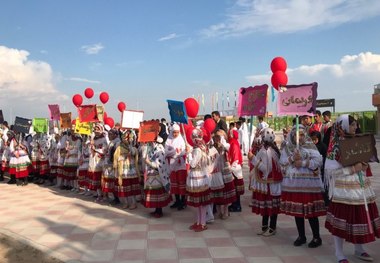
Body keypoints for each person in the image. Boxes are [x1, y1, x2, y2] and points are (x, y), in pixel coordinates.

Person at [324, 114, 380, 263]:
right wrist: (352, 169)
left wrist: (365, 164)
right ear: (343, 126)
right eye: (353, 125)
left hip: (360, 188)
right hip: (343, 190)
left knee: (360, 216)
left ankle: (359, 249)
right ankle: (339, 253)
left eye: (356, 125)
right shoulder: (335, 146)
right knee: (341, 221)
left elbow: (364, 160)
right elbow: (330, 172)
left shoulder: (357, 142)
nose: (356, 127)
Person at [279, 124, 326, 248]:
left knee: (312, 212)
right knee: (298, 212)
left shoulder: (310, 146)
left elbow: (319, 161)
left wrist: (304, 162)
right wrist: (292, 159)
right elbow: (282, 163)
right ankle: (301, 236)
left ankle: (317, 237)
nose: (298, 137)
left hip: (309, 185)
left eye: (301, 135)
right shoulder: (287, 148)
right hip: (294, 185)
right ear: (292, 135)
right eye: (296, 135)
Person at [249, 128, 282, 236]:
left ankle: (272, 228)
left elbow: (266, 169)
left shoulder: (268, 151)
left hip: (269, 183)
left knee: (271, 207)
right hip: (266, 183)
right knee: (267, 207)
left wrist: (253, 158)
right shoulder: (266, 149)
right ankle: (265, 227)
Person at [186, 128, 212, 232]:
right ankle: (199, 222)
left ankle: (202, 223)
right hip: (201, 176)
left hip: (198, 177)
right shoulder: (202, 147)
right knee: (200, 203)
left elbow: (192, 164)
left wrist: (188, 154)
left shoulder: (197, 150)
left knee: (201, 203)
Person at [142, 136, 171, 218]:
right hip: (151, 174)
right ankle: (156, 210)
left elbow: (160, 164)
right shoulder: (151, 149)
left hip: (158, 175)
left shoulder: (160, 150)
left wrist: (149, 162)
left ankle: (159, 211)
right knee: (153, 193)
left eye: (151, 141)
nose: (150, 142)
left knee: (158, 192)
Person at [165, 123, 187, 210]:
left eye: (177, 132)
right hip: (172, 165)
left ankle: (182, 201)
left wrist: (174, 152)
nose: (175, 134)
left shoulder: (181, 140)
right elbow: (166, 151)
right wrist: (174, 152)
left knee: (181, 183)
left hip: (180, 165)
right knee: (174, 184)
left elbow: (182, 151)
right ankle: (177, 200)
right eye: (174, 132)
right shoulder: (169, 140)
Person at [228, 129, 244, 212]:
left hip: (235, 170)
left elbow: (235, 158)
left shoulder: (233, 143)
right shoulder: (234, 142)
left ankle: (237, 206)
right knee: (235, 189)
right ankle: (235, 204)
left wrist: (230, 168)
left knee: (235, 189)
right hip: (236, 169)